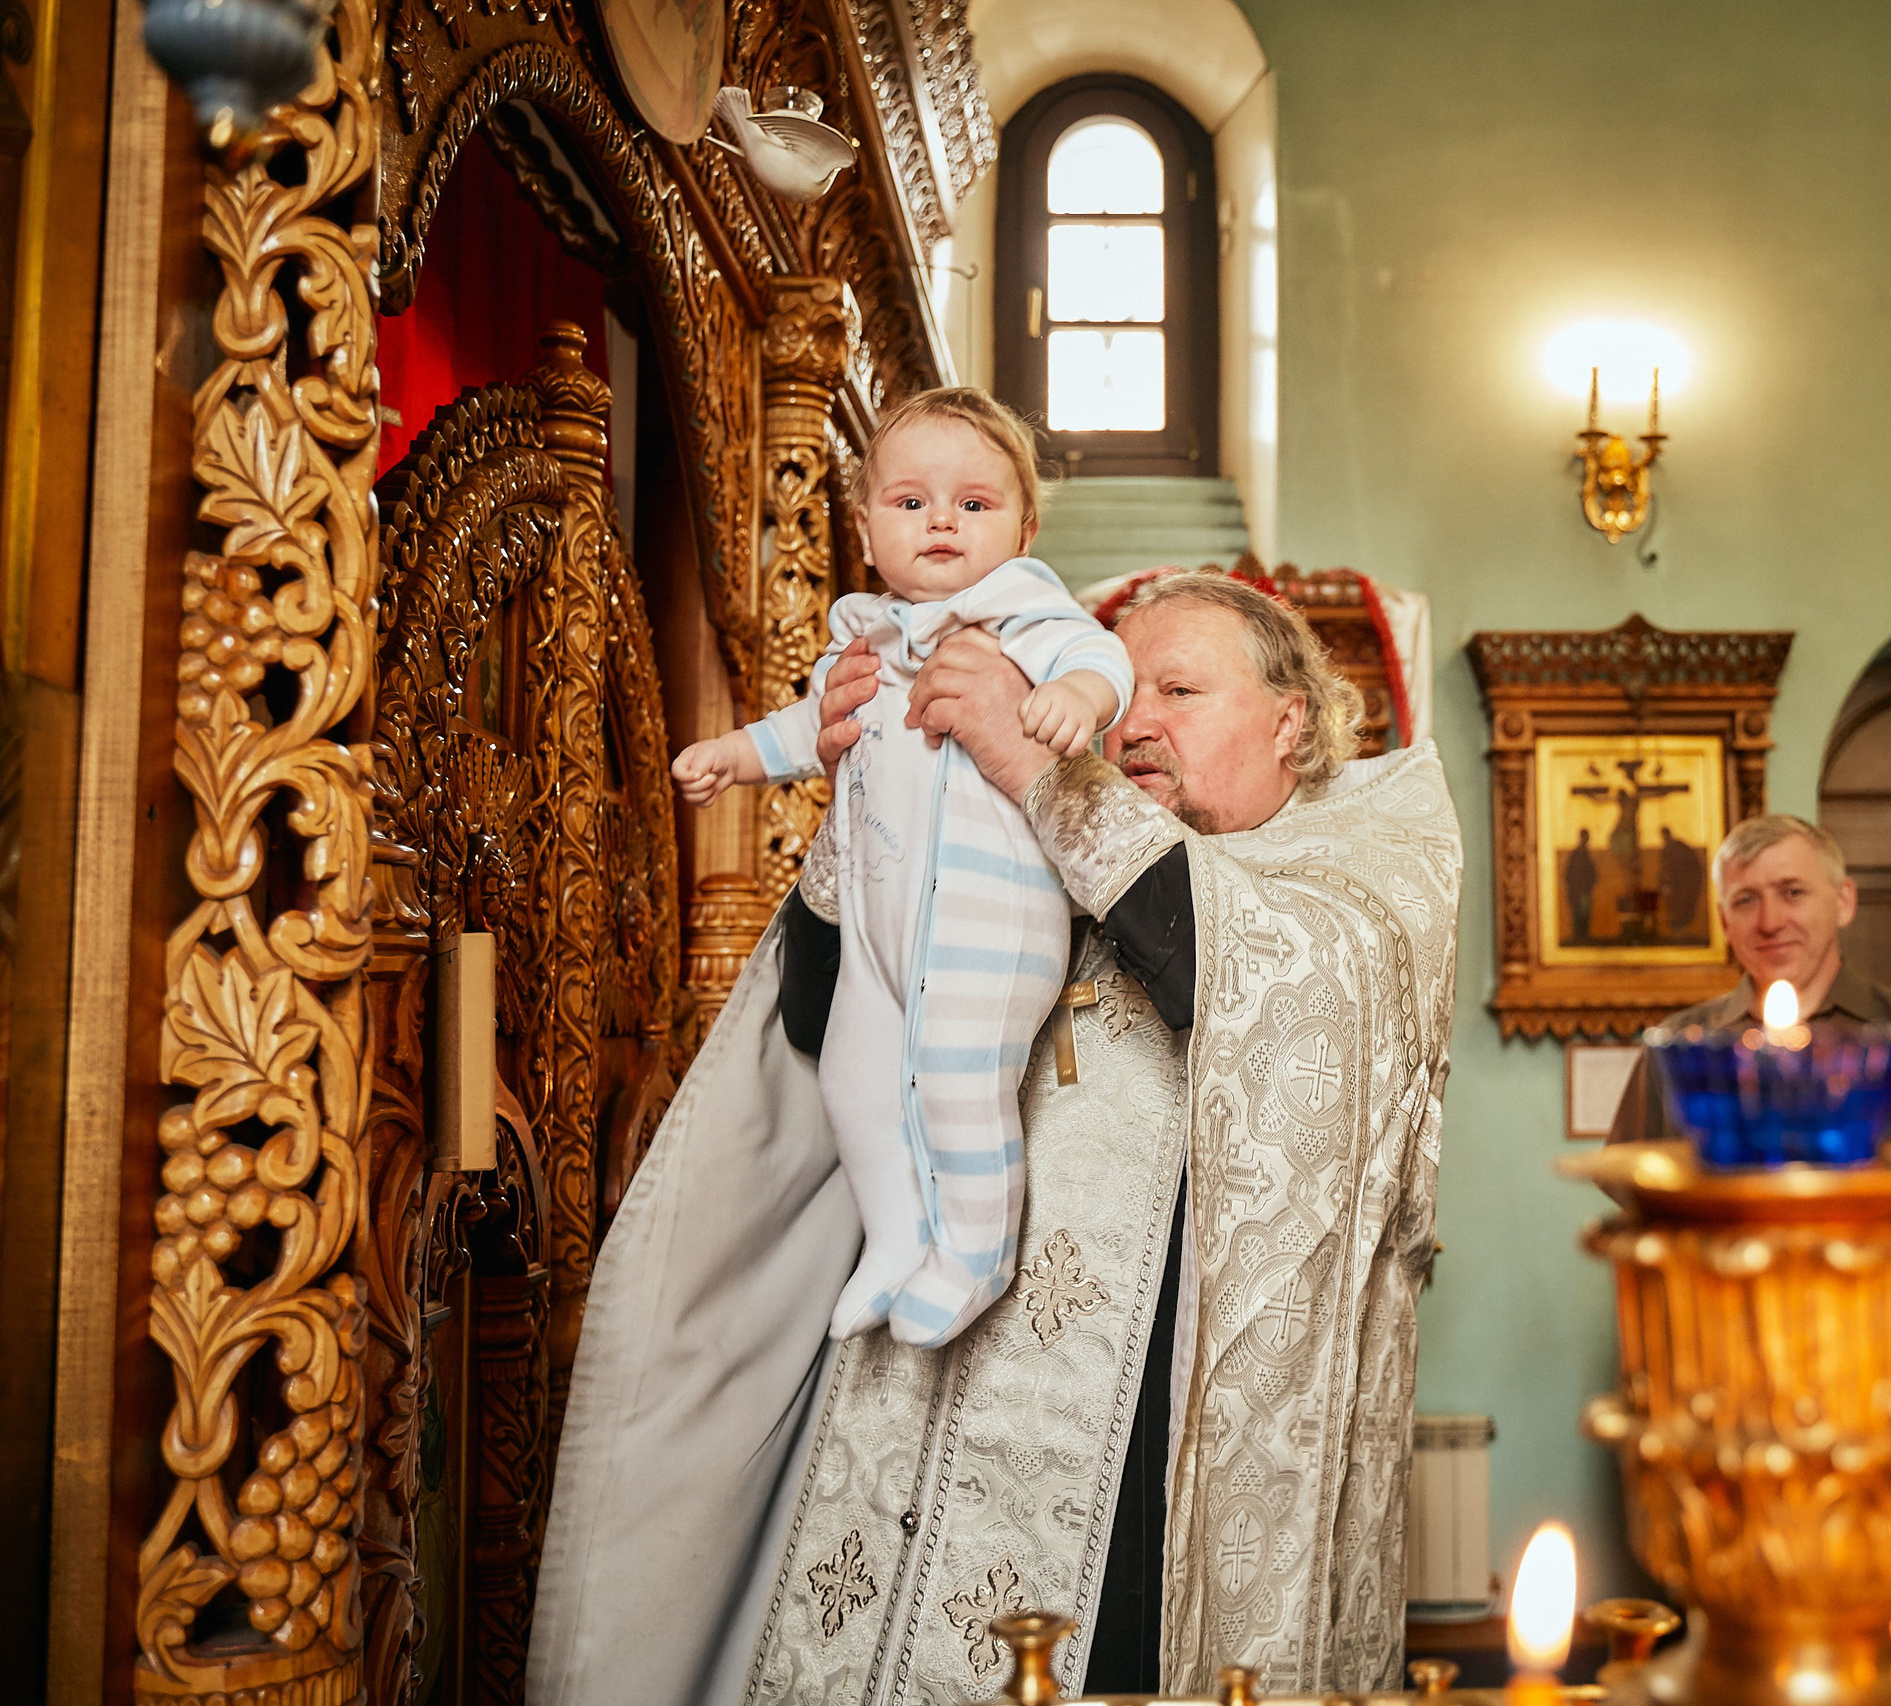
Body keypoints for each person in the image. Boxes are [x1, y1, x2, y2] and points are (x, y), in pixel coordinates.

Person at [528, 569, 1460, 1705]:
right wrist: (866, 795)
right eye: (1128, 691)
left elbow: (1238, 969)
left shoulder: (1359, 871)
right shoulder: (1023, 850)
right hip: (936, 1401)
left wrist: (1033, 770)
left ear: (1290, 718)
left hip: (1158, 1461)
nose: (1139, 722)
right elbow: (824, 1020)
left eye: (1181, 687)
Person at [667, 386, 1130, 1345]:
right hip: (880, 923)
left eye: (974, 503)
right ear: (868, 526)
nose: (943, 524)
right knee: (855, 1077)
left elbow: (1101, 658)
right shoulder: (862, 636)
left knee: (960, 1081)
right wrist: (735, 756)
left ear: (1024, 528)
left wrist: (1078, 697)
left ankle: (972, 1247)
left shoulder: (1021, 613)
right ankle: (893, 1235)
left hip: (987, 922)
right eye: (911, 502)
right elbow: (807, 730)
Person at [1610, 813, 1891, 1143]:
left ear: (1843, 902)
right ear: (1723, 922)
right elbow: (1642, 1192)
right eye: (1746, 900)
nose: (1770, 923)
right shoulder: (1680, 1046)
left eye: (1793, 893)